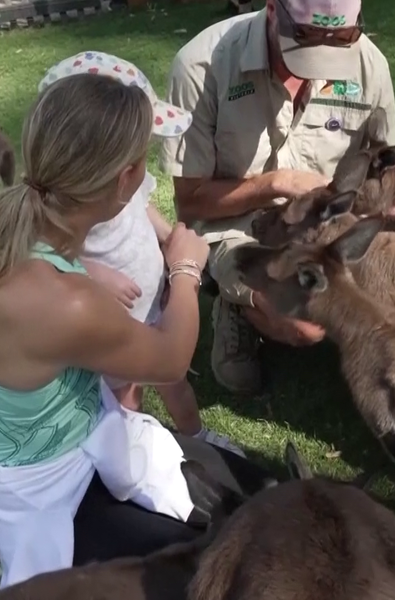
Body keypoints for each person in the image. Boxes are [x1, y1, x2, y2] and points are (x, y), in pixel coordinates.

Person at [0, 62, 275, 590]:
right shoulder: (65, 301)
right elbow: (169, 359)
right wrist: (185, 269)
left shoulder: (11, 238)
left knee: (253, 494)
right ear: (126, 181)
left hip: (72, 442)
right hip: (51, 489)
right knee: (219, 571)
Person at [162, 0, 395, 395]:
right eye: (306, 51)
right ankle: (239, 302)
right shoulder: (200, 67)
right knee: (306, 325)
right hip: (237, 228)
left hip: (328, 227)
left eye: (335, 50)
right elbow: (191, 200)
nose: (317, 73)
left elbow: (385, 178)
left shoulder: (371, 66)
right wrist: (275, 184)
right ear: (271, 9)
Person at [37, 51, 245, 459]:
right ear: (114, 170)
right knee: (125, 398)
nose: (142, 164)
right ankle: (134, 451)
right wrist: (92, 272)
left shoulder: (124, 184)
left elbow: (142, 207)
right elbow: (48, 256)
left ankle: (194, 436)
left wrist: (169, 238)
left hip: (151, 305)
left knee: (176, 382)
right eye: (139, 152)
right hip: (111, 323)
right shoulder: (57, 212)